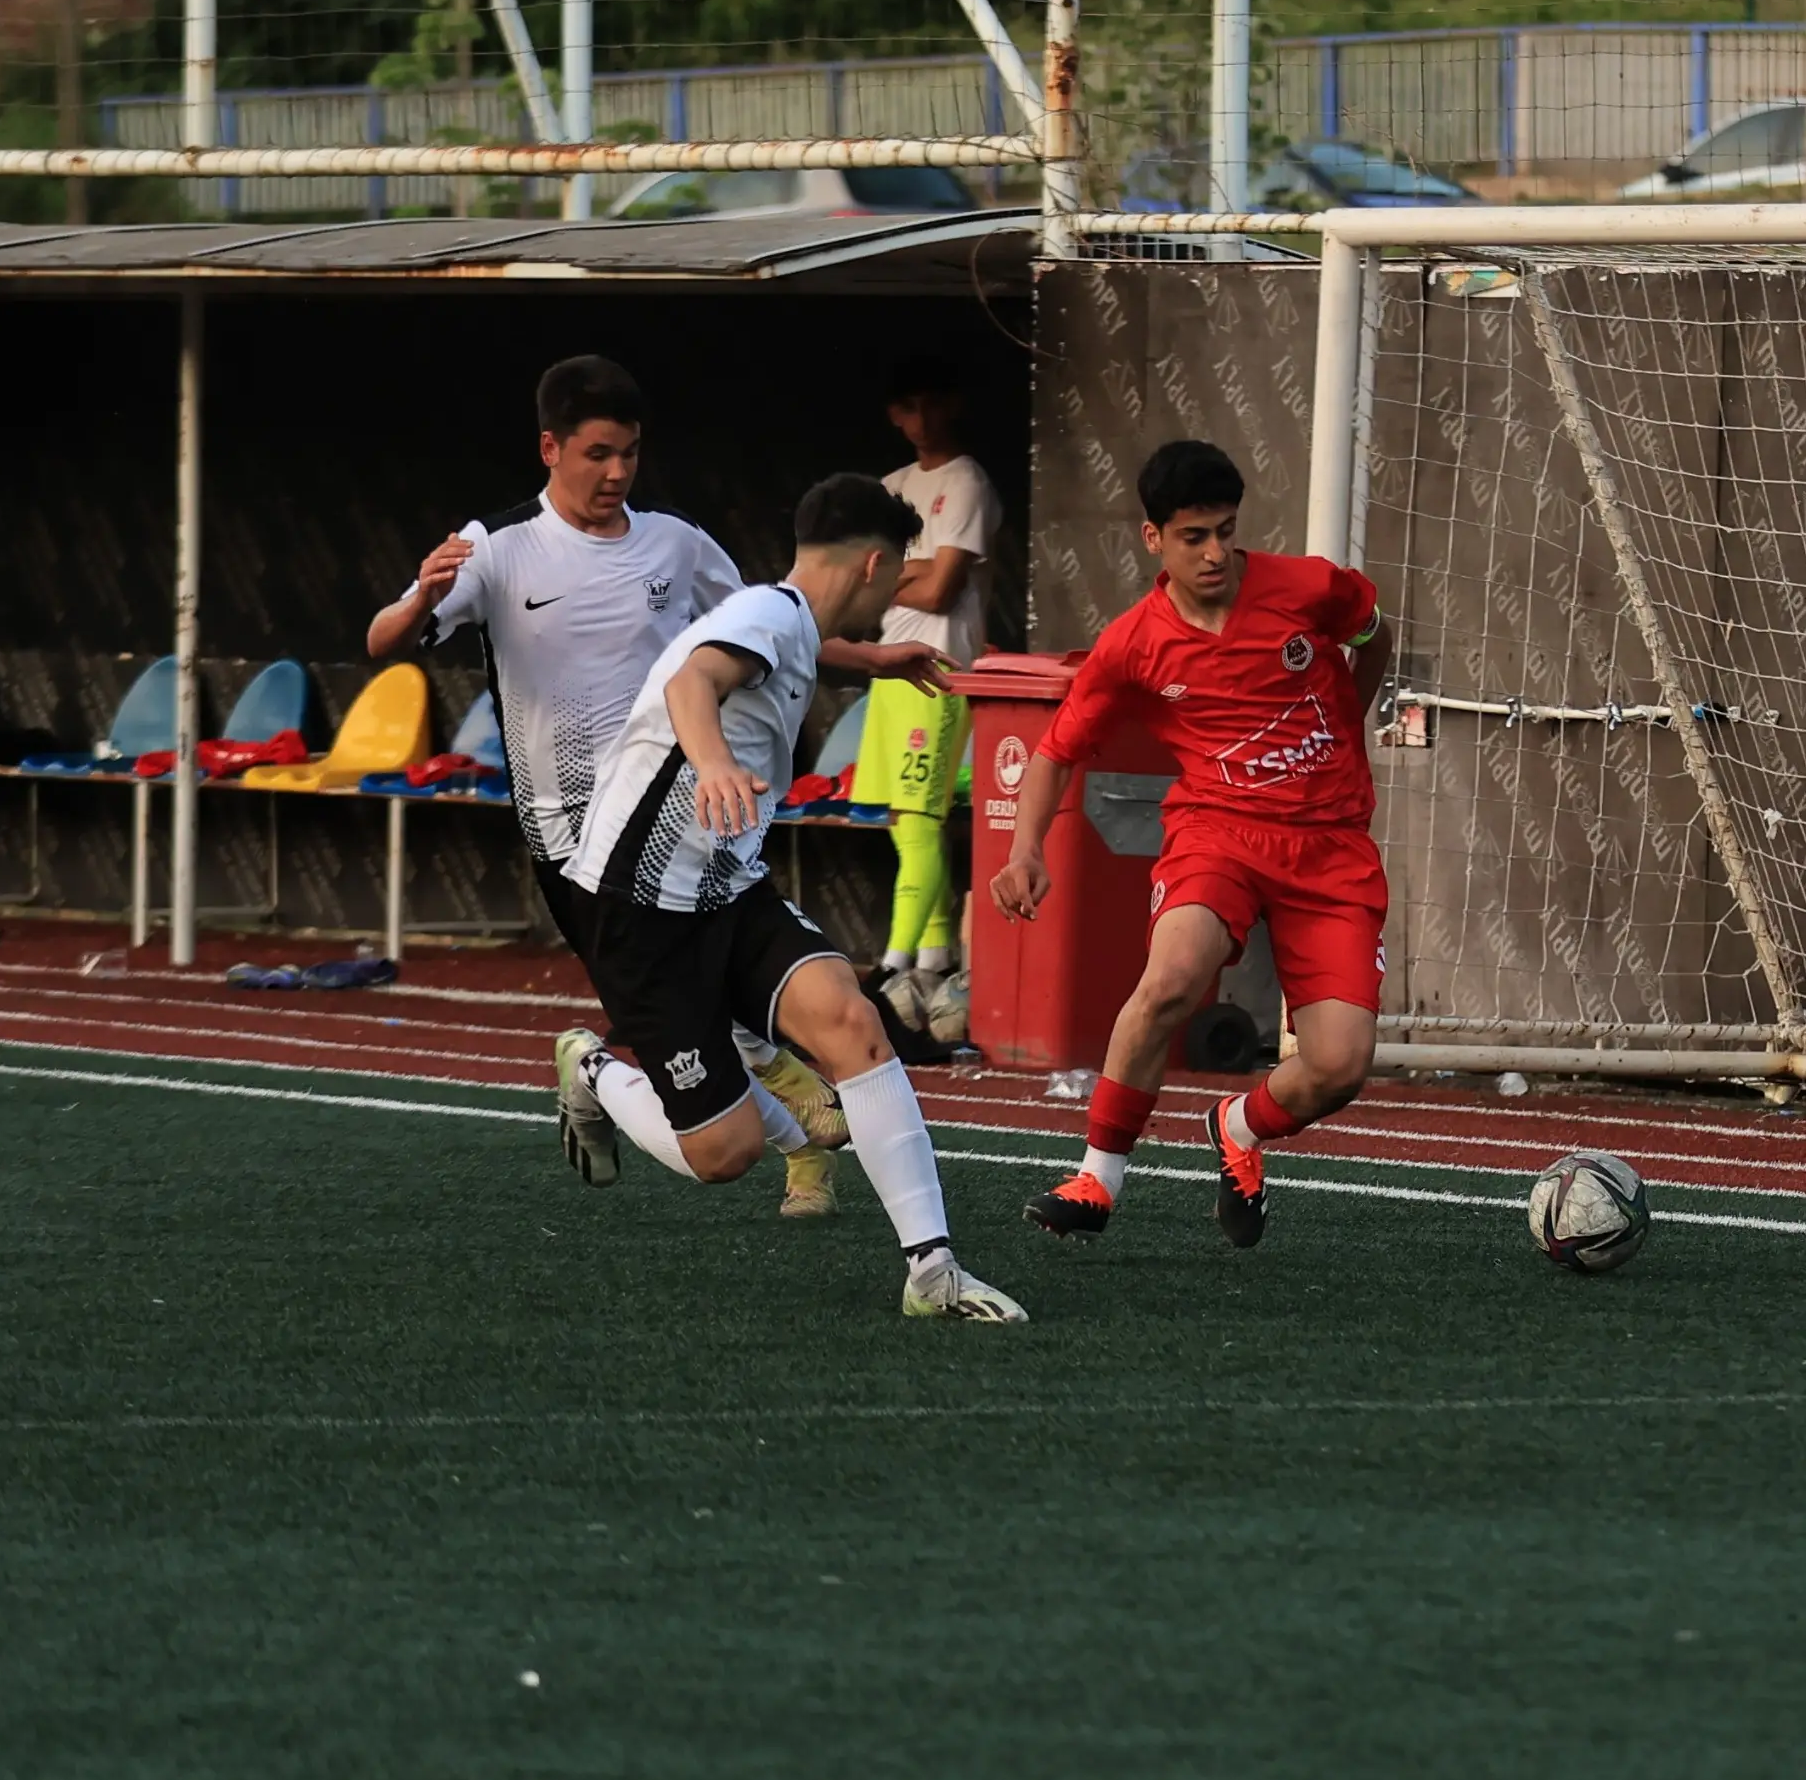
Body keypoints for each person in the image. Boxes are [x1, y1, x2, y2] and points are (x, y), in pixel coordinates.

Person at [364, 354, 939, 1217]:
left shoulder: (674, 540)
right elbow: (380, 637)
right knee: (702, 1040)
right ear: (550, 447)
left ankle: (809, 1159)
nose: (618, 472)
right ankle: (634, 1081)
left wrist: (873, 658)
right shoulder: (495, 545)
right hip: (578, 849)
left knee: (750, 1004)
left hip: (685, 827)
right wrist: (420, 600)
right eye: (598, 453)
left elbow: (776, 620)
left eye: (630, 452)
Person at [555, 474, 1026, 1322]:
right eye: (901, 575)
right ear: (877, 563)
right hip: (642, 905)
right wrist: (713, 761)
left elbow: (789, 646)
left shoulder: (784, 613)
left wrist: (877, 657)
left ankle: (933, 1272)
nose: (899, 592)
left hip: (726, 887)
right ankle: (591, 1067)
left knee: (852, 1024)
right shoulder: (767, 617)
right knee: (724, 1153)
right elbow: (692, 683)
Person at [990, 440, 1393, 1248]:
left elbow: (1376, 635)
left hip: (1331, 846)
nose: (1214, 553)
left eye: (1226, 532)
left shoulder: (1310, 588)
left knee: (1340, 1066)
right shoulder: (1134, 645)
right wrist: (1025, 848)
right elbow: (1056, 750)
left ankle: (1238, 1126)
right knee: (1172, 977)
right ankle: (1096, 1178)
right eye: (1193, 537)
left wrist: (1349, 721)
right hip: (1219, 833)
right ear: (1154, 539)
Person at [848, 355, 1002, 988]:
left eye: (932, 404)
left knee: (920, 823)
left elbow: (941, 590)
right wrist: (905, 577)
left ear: (953, 406)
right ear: (893, 415)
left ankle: (892, 966)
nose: (921, 420)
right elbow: (858, 587)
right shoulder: (890, 486)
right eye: (908, 408)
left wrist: (897, 578)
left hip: (936, 672)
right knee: (902, 824)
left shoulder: (966, 482)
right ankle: (934, 959)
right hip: (889, 671)